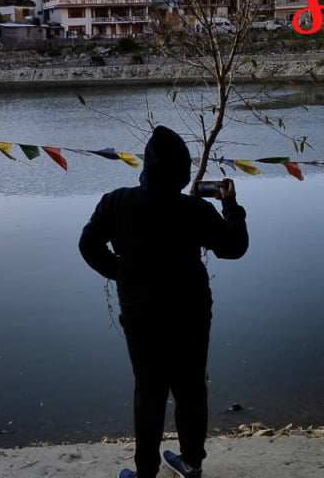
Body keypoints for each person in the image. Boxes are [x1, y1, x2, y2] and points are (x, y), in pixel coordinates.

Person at [78, 125, 249, 478]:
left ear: (146, 167)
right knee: (191, 389)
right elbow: (234, 247)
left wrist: (121, 272)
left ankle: (146, 473)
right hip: (191, 313)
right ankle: (192, 464)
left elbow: (88, 245)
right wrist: (230, 205)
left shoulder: (117, 203)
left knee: (149, 391)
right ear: (183, 172)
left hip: (141, 315)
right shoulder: (195, 210)